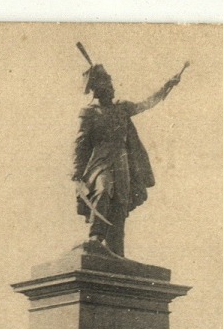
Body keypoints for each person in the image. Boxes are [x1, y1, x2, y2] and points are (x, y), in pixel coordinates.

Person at [73, 63, 183, 257]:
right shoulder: (89, 113)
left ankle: (116, 248)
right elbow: (81, 144)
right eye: (108, 82)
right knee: (103, 189)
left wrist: (168, 86)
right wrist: (76, 173)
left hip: (123, 162)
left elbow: (147, 103)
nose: (113, 87)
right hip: (101, 162)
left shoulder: (122, 108)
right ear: (98, 88)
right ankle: (96, 237)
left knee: (121, 203)